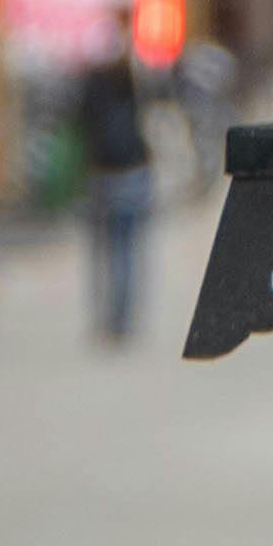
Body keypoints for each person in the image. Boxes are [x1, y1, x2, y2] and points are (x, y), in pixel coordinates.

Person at [73, 42, 157, 345]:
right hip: (134, 172)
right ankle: (123, 319)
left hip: (102, 174)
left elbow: (78, 120)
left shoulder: (94, 84)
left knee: (104, 253)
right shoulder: (136, 82)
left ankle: (107, 319)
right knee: (128, 251)